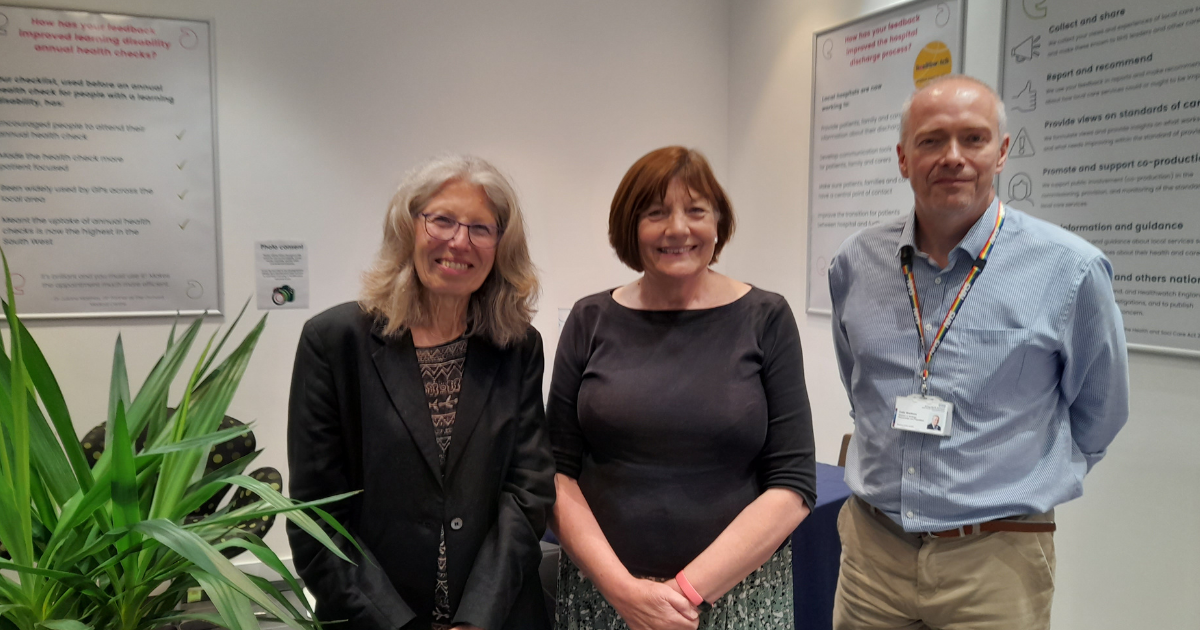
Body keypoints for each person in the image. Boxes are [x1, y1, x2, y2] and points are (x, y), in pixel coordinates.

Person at [828, 75, 1129, 629]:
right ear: (902, 157)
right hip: (873, 554)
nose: (952, 157)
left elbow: (1100, 414)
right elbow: (860, 385)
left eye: (973, 139)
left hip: (996, 557)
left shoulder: (1071, 270)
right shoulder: (855, 262)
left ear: (1002, 151)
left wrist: (1021, 481)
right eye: (930, 140)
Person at [548, 146, 816, 630]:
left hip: (736, 599)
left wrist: (681, 595)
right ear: (630, 227)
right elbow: (556, 472)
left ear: (719, 223)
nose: (678, 229)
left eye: (696, 211)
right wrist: (625, 593)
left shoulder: (766, 318)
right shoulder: (590, 319)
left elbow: (793, 484)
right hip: (605, 598)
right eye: (656, 213)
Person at [287, 155, 555, 630]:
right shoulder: (335, 342)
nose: (459, 241)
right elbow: (318, 519)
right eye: (443, 220)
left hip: (498, 617)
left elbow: (527, 492)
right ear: (408, 228)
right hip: (373, 620)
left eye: (481, 228)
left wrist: (476, 618)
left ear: (500, 245)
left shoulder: (517, 345)